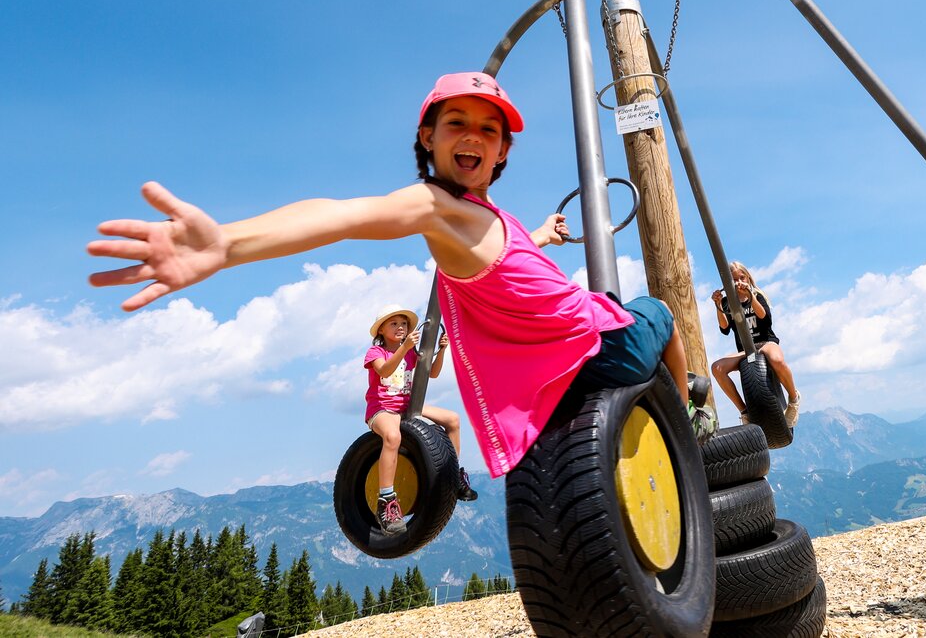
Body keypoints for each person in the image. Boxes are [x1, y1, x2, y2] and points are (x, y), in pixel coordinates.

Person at [87, 71, 716, 500]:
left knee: (610, 302)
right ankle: (690, 408)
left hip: (577, 336)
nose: (472, 135)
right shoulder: (435, 207)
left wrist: (542, 235)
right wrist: (228, 243)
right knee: (659, 311)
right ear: (427, 138)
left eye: (489, 129)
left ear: (502, 151)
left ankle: (675, 399)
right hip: (601, 349)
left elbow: (507, 264)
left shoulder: (482, 221)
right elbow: (343, 214)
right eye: (456, 122)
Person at [364, 304, 477, 535]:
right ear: (381, 330)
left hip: (407, 406)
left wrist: (441, 350)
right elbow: (384, 371)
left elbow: (432, 373)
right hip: (382, 409)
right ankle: (386, 500)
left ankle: (453, 475)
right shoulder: (376, 353)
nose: (400, 327)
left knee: (453, 420)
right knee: (392, 436)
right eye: (394, 323)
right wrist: (405, 347)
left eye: (403, 324)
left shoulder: (411, 352)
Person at [708, 261, 801, 428]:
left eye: (741, 277)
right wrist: (718, 305)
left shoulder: (757, 295)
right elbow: (724, 328)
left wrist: (750, 296)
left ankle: (794, 399)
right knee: (717, 368)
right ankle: (744, 411)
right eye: (734, 279)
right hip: (746, 349)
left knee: (777, 360)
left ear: (748, 278)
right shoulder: (728, 302)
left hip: (766, 342)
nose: (738, 282)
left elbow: (765, 318)